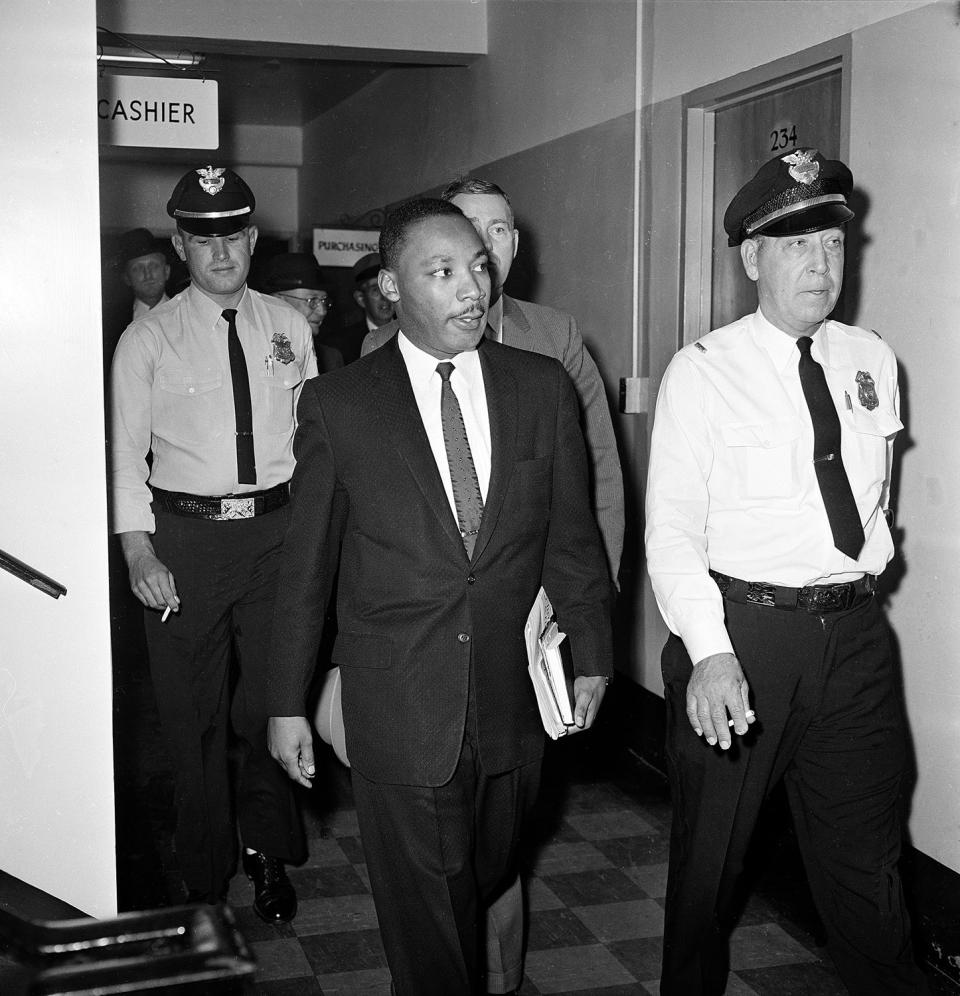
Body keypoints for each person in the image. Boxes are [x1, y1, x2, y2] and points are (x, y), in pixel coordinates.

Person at [266, 198, 613, 995]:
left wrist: (593, 652)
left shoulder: (540, 388)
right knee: (428, 930)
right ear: (390, 286)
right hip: (396, 699)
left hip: (512, 700)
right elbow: (306, 566)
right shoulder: (341, 404)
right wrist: (287, 701)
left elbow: (571, 539)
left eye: (479, 268)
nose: (471, 290)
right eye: (443, 271)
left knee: (486, 875)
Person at [645, 148, 929, 995]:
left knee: (866, 862)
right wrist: (709, 650)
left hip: (854, 637)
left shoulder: (871, 359)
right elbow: (670, 532)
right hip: (745, 638)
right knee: (711, 869)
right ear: (751, 258)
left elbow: (872, 510)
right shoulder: (702, 373)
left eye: (833, 244)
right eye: (795, 243)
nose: (820, 263)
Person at [361, 175, 625, 992]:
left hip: (531, 634)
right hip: (428, 656)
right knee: (444, 869)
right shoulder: (384, 363)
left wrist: (582, 624)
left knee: (502, 851)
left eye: (499, 237)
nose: (481, 267)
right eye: (463, 244)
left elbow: (598, 496)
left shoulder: (553, 343)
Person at [110, 165, 316, 923]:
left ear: (253, 239)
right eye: (204, 238)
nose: (221, 251)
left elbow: (312, 446)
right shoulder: (147, 339)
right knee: (189, 711)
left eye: (233, 234)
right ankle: (202, 870)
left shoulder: (289, 329)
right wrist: (139, 553)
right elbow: (123, 458)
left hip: (275, 537)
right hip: (185, 542)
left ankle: (266, 852)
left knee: (269, 701)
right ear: (181, 245)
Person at [363, 177, 623, 585]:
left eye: (497, 229)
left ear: (515, 243)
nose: (483, 243)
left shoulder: (557, 338)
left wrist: (598, 591)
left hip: (538, 585)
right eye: (467, 225)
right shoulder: (384, 347)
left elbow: (600, 469)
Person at [263, 252, 344, 373]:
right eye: (311, 301)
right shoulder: (256, 351)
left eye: (324, 301)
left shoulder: (330, 359)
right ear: (278, 301)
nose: (322, 312)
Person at [328, 251, 395, 364]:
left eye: (389, 287)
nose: (385, 297)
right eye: (376, 290)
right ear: (361, 299)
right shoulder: (342, 345)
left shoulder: (412, 335)